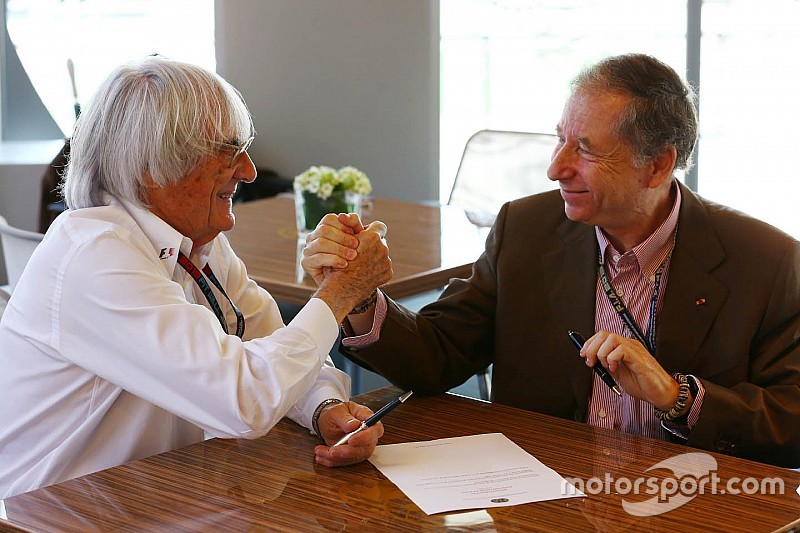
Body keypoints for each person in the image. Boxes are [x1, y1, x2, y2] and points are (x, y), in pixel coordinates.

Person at [302, 53, 800, 467]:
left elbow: (791, 419)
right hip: (542, 490)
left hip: (694, 498)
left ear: (658, 165)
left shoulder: (767, 262)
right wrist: (359, 296)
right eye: (559, 138)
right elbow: (438, 355)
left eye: (584, 149)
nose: (554, 168)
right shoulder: (527, 229)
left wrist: (676, 396)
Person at [0, 56, 392, 498]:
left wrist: (325, 406)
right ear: (152, 167)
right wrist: (339, 293)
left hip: (155, 500)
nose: (249, 171)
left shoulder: (194, 241)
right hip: (50, 515)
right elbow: (244, 400)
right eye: (228, 151)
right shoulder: (94, 255)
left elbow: (272, 345)